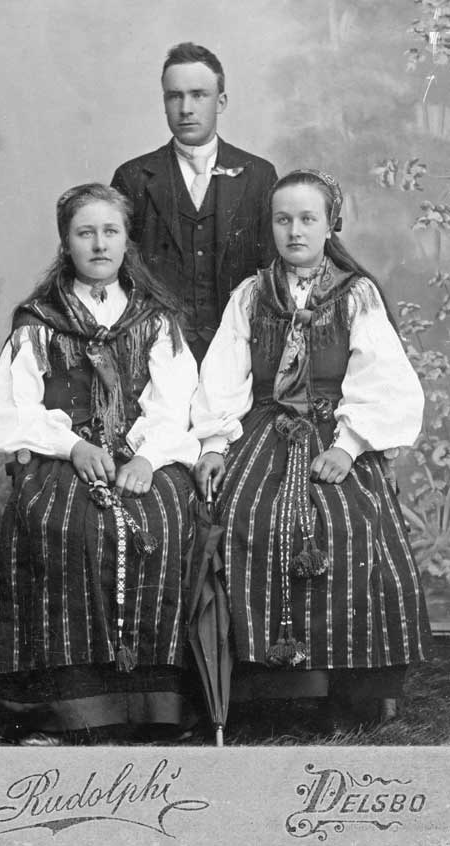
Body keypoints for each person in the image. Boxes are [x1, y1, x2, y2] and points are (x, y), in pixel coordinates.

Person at [192, 168, 432, 729]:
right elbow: (223, 375)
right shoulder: (252, 294)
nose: (294, 231)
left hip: (336, 430)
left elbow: (382, 379)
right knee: (246, 514)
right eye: (283, 220)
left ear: (331, 225)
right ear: (271, 226)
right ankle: (263, 687)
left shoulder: (355, 294)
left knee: (350, 522)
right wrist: (215, 444)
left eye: (307, 219)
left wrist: (349, 446)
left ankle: (350, 688)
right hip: (264, 427)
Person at [0, 183, 200, 745]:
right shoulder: (39, 320)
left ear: (127, 241)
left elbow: (175, 404)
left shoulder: (155, 320)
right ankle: (67, 707)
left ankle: (154, 705)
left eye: (110, 232)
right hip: (63, 454)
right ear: (66, 242)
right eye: (86, 233)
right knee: (68, 525)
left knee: (162, 519)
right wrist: (73, 448)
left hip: (142, 452)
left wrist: (147, 458)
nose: (99, 244)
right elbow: (16, 408)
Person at [111, 42, 278, 365]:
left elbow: (272, 272)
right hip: (156, 355)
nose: (186, 108)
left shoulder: (258, 175)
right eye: (175, 96)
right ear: (164, 102)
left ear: (221, 101)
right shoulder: (133, 178)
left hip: (240, 353)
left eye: (199, 95)